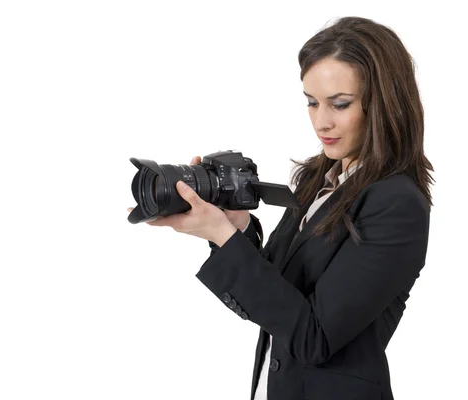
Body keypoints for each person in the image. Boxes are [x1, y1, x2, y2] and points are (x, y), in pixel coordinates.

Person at [128, 16, 433, 400]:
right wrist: (233, 229)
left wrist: (221, 235)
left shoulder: (396, 204)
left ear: (383, 103)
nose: (322, 122)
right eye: (311, 102)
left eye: (340, 104)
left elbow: (313, 339)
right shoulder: (317, 182)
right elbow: (274, 302)